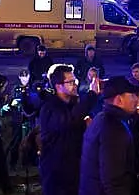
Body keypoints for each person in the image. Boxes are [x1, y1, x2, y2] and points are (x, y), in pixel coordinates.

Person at [78, 76, 139, 195]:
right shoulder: (114, 129)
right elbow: (114, 179)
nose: (137, 100)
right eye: (132, 95)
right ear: (119, 100)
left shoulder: (102, 118)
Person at [39, 64, 101, 195]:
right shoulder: (50, 107)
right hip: (57, 176)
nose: (75, 84)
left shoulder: (73, 104)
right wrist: (92, 95)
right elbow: (68, 122)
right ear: (58, 86)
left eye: (75, 81)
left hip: (75, 172)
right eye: (70, 82)